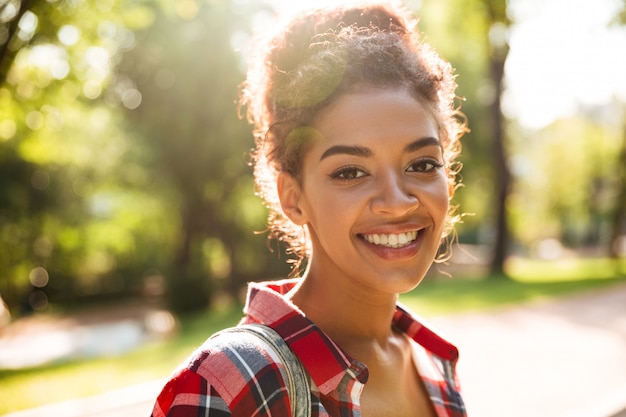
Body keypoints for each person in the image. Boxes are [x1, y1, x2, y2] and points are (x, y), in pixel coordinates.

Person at [150, 1, 467, 416]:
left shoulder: (434, 364)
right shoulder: (228, 387)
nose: (397, 202)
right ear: (293, 197)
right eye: (351, 172)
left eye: (422, 164)